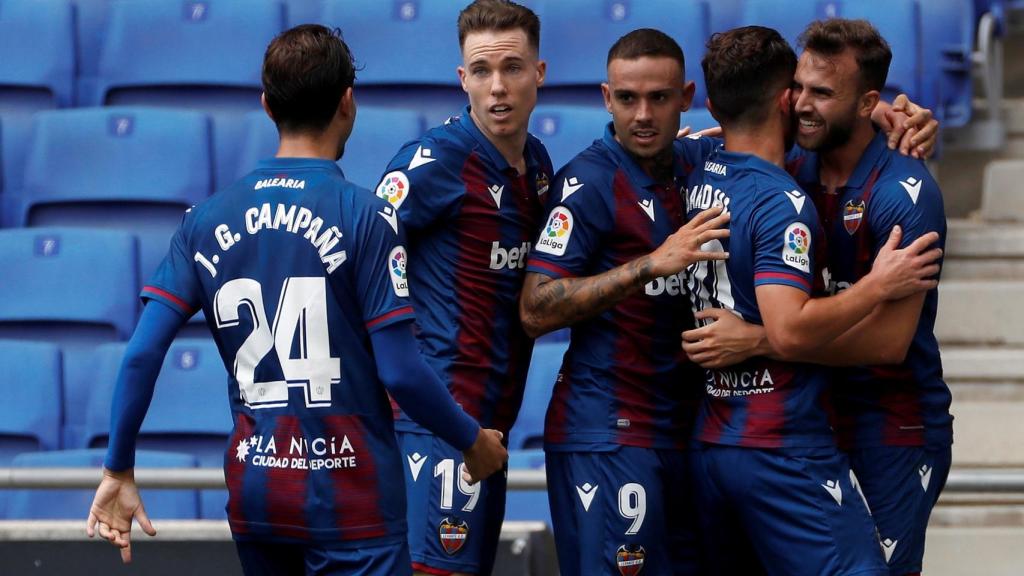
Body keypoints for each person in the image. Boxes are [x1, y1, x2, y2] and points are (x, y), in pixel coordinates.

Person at [85, 24, 507, 575]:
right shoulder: (367, 218)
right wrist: (470, 440)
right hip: (354, 502)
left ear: (266, 106)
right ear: (347, 104)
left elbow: (141, 353)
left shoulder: (204, 220)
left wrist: (118, 467)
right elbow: (401, 372)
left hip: (260, 494)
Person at [686, 19, 952, 576]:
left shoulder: (908, 193)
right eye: (799, 87)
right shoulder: (791, 164)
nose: (801, 104)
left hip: (891, 425)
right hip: (810, 420)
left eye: (823, 94)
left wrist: (759, 339)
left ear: (867, 103)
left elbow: (887, 344)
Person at [518, 29, 731, 575]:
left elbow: (796, 128)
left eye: (658, 98)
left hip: (688, 431)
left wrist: (890, 122)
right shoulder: (588, 183)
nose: (643, 114)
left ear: (685, 97)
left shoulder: (701, 163)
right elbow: (535, 309)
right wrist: (649, 265)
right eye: (628, 98)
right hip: (608, 431)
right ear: (606, 98)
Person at [372, 2, 552, 574]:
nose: (497, 88)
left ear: (539, 74)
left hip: (490, 425)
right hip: (438, 421)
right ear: (462, 79)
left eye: (512, 68)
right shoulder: (434, 163)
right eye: (481, 71)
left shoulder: (538, 165)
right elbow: (360, 252)